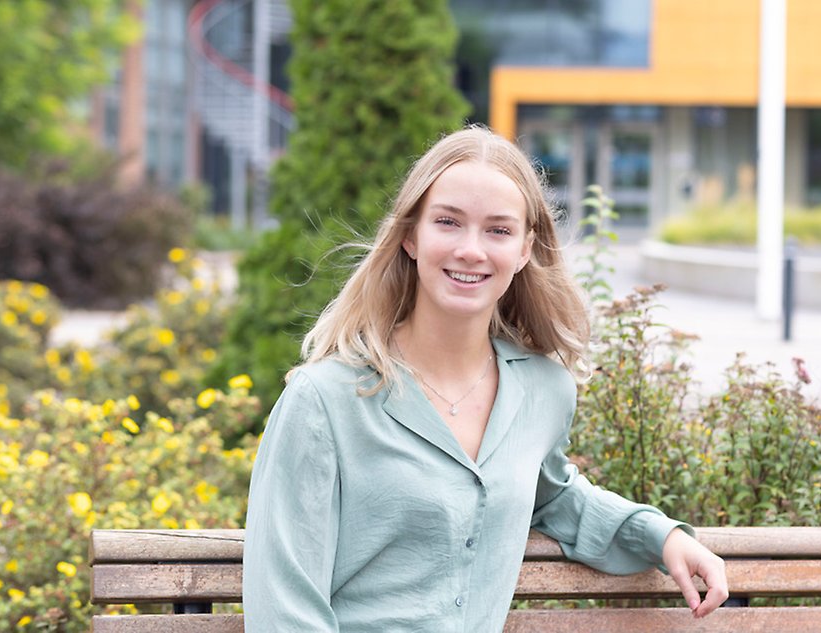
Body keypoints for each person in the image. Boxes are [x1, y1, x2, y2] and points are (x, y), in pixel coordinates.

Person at [243, 125, 728, 632]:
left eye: (498, 230)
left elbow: (553, 497)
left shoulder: (544, 389)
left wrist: (662, 537)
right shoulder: (323, 400)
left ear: (524, 249)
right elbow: (284, 610)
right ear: (411, 235)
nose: (471, 250)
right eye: (448, 222)